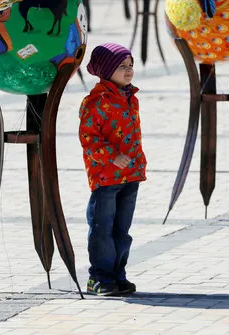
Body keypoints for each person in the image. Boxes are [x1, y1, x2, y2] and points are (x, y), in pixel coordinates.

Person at [79, 43, 147, 296]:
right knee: (102, 228)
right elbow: (88, 138)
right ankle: (99, 278)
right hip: (106, 176)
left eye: (131, 66)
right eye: (122, 67)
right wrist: (111, 156)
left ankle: (118, 274)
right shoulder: (95, 102)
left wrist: (138, 161)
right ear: (107, 70)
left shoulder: (131, 98)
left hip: (131, 174)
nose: (129, 71)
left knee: (122, 230)